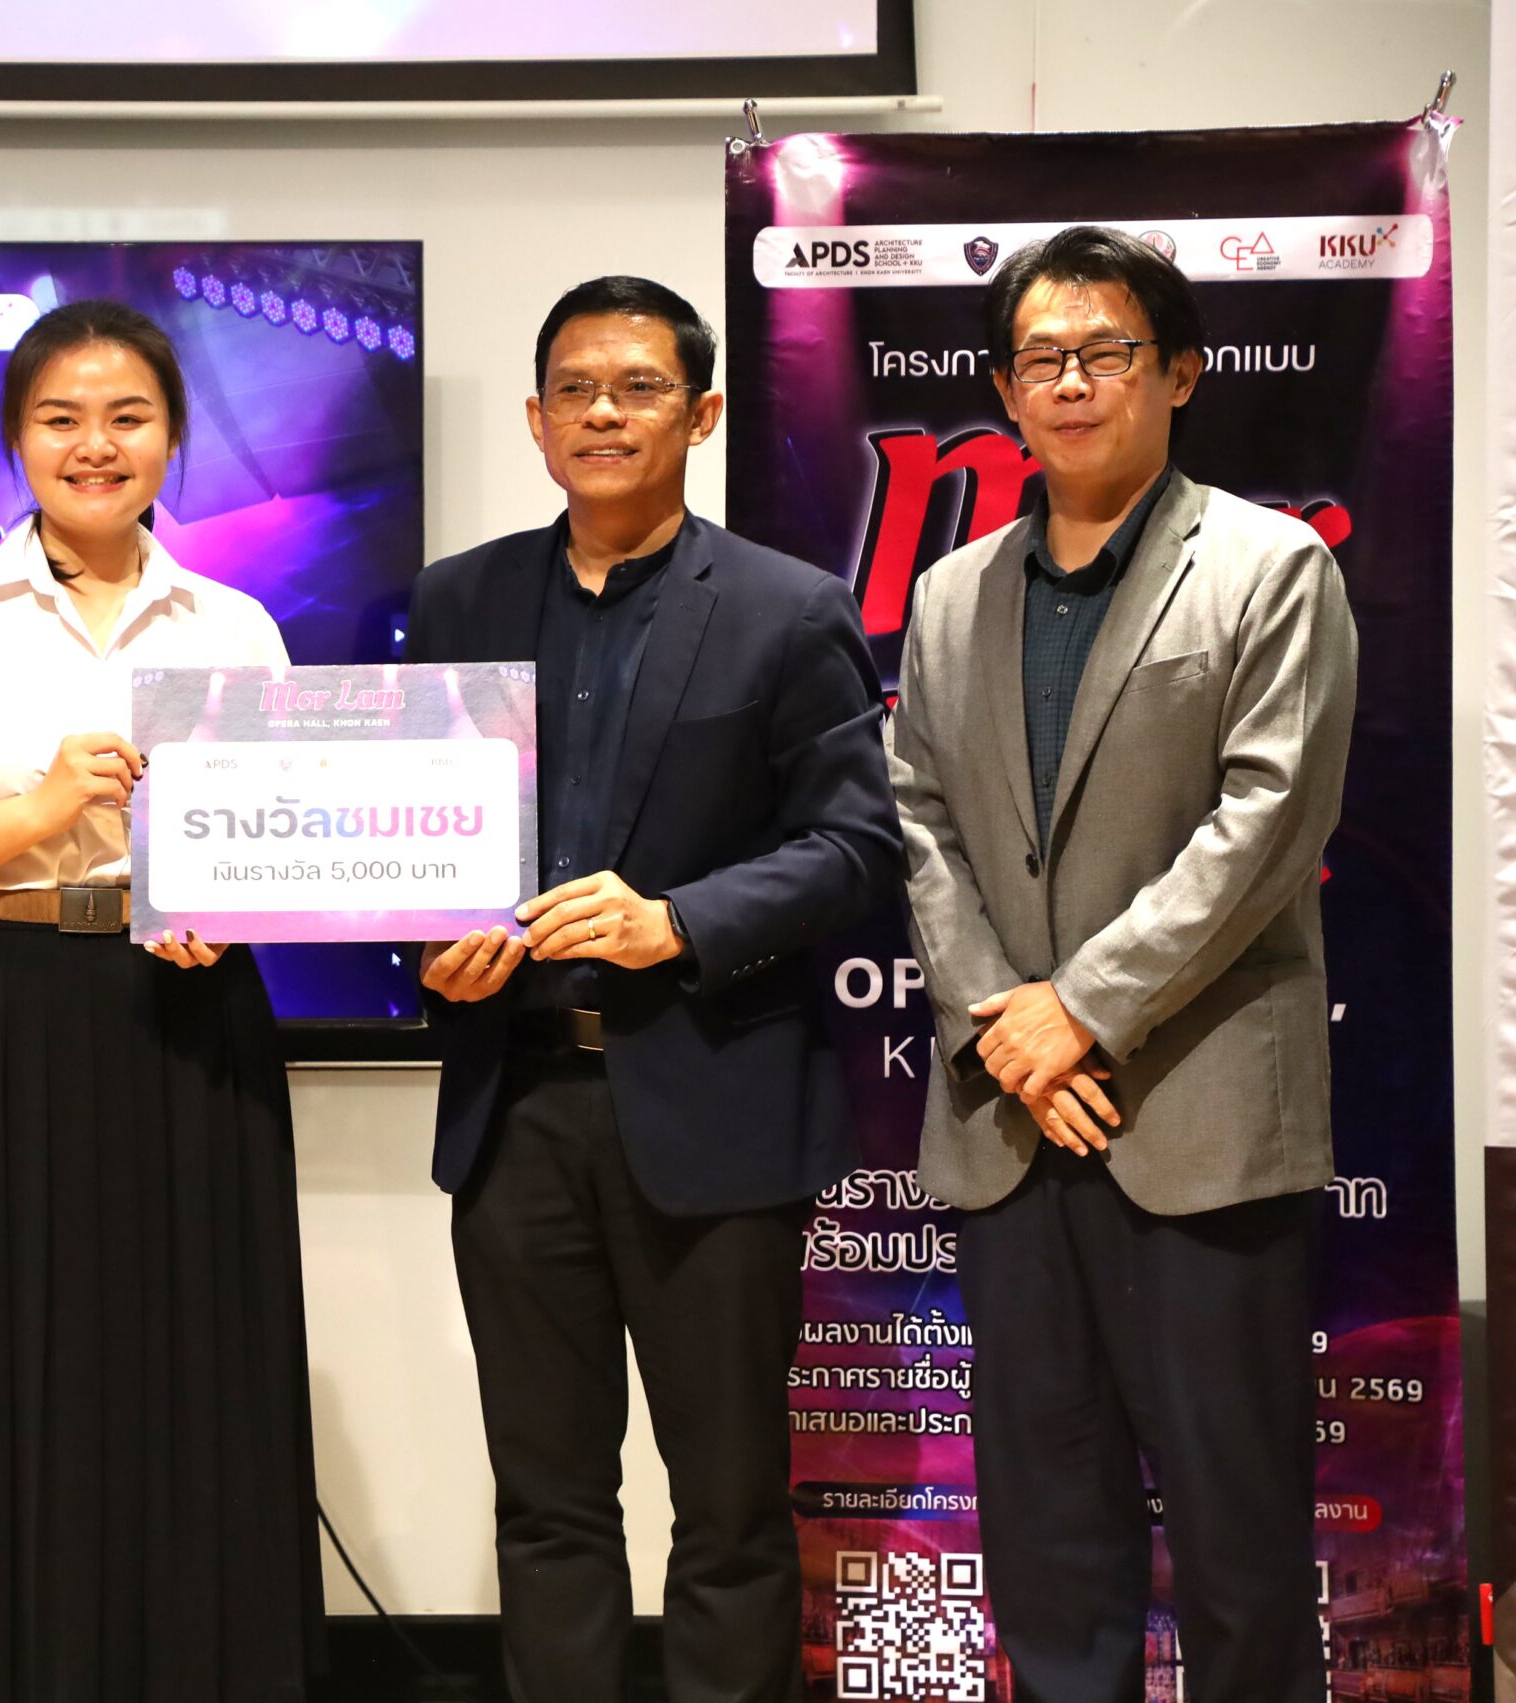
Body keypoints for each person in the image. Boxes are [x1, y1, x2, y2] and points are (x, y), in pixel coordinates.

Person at [402, 275, 899, 1703]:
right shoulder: (459, 598)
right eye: (575, 389)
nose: (604, 413)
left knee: (729, 1505)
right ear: (536, 419)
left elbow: (856, 848)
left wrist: (674, 923)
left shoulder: (787, 608)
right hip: (513, 1105)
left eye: (638, 387)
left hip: (713, 1099)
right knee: (546, 1498)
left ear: (704, 411)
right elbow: (405, 828)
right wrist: (427, 943)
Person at [0, 298, 321, 1702]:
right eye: (60, 419)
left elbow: (290, 845)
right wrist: (40, 809)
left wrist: (231, 912)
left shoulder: (236, 625)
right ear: (15, 440)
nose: (94, 445)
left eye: (127, 417)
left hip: (191, 1014)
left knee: (189, 1363)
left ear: (172, 436)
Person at [890, 225, 1357, 1703]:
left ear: (1181, 373)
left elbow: (1268, 821)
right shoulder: (952, 594)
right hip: (1013, 1123)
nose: (1073, 382)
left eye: (1106, 351)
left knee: (1237, 1533)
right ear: (1005, 392)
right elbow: (919, 820)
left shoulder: (1268, 568)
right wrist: (1005, 1029)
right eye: (1042, 358)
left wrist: (1081, 1011)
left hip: (1198, 1123)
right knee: (1045, 1525)